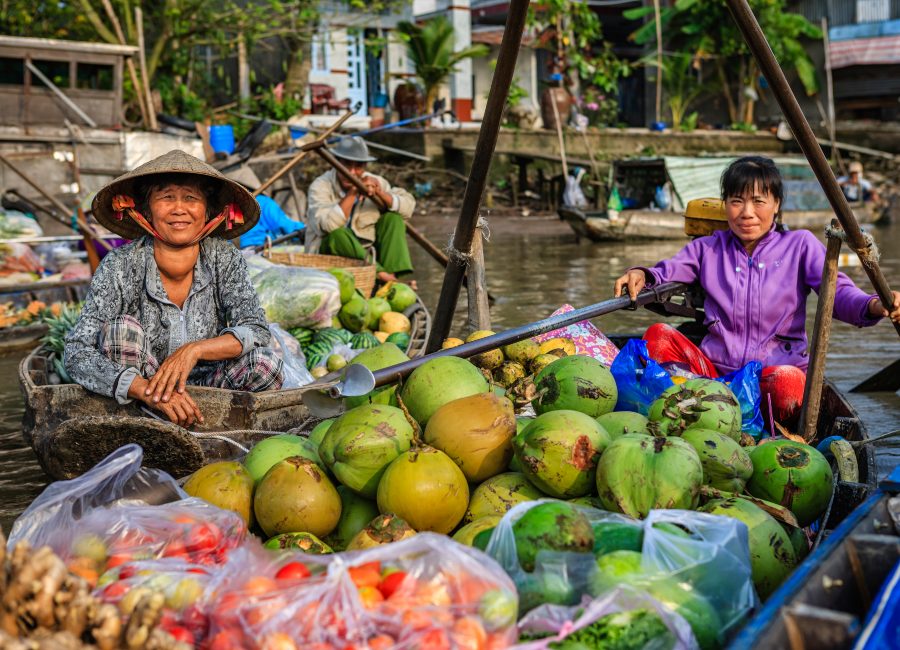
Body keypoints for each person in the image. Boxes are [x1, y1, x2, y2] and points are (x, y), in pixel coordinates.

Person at [614, 155, 900, 425]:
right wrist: (640, 273)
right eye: (737, 201)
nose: (747, 213)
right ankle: (714, 405)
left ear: (776, 204)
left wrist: (875, 304)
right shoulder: (708, 248)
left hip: (770, 380)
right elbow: (665, 272)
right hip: (716, 375)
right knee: (658, 336)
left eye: (759, 201)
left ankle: (713, 407)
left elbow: (838, 296)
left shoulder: (799, 245)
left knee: (789, 383)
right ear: (725, 204)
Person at [64, 150, 284, 427]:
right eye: (166, 197)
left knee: (265, 365)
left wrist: (193, 350)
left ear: (207, 211)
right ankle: (146, 428)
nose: (179, 208)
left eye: (191, 198)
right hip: (144, 393)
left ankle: (214, 426)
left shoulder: (224, 257)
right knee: (121, 331)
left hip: (211, 386)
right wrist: (146, 389)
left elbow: (256, 329)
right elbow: (76, 352)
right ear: (146, 211)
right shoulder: (121, 264)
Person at [306, 137, 415, 284]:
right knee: (338, 234)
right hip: (331, 255)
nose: (351, 172)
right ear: (336, 163)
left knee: (393, 219)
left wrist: (380, 193)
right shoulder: (320, 186)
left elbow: (408, 207)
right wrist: (353, 193)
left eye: (358, 167)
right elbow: (328, 226)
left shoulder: (374, 181)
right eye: (346, 165)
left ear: (365, 167)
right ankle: (385, 277)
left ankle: (390, 277)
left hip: (368, 256)